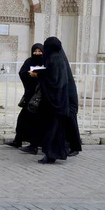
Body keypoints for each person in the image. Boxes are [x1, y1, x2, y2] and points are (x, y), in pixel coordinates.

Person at [35, 36, 74, 164]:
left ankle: (50, 154)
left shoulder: (55, 59)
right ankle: (53, 154)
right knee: (56, 130)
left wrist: (40, 74)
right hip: (58, 101)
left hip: (54, 102)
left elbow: (54, 82)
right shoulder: (57, 58)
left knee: (52, 129)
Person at [5, 43, 44, 154]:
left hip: (40, 97)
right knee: (22, 119)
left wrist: (38, 75)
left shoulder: (46, 62)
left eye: (40, 51)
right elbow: (22, 73)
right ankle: (18, 140)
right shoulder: (29, 61)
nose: (37, 53)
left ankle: (34, 144)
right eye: (35, 51)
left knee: (36, 121)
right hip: (29, 95)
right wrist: (30, 74)